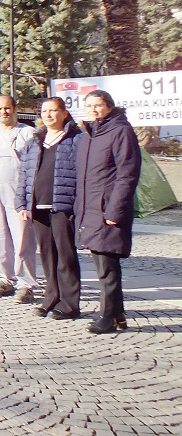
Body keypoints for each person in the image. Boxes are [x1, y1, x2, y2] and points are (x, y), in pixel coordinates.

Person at [75, 90, 140, 334]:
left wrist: (115, 210)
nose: (93, 109)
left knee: (107, 265)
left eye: (98, 105)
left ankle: (108, 316)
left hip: (108, 209)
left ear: (109, 107)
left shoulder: (121, 131)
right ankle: (118, 314)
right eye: (89, 105)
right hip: (91, 208)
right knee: (102, 262)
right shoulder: (89, 134)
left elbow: (127, 174)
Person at [18, 98, 83, 321]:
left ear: (64, 113)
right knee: (47, 255)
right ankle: (51, 298)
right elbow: (24, 175)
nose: (48, 115)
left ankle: (70, 303)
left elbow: (82, 176)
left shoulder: (76, 139)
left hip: (63, 206)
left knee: (66, 256)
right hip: (38, 208)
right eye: (44, 111)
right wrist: (22, 204)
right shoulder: (35, 140)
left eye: (53, 111)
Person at [0, 96, 38, 302]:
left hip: (18, 192)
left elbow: (33, 166)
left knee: (23, 239)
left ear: (15, 109)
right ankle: (4, 279)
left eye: (7, 108)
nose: (3, 112)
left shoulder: (27, 133)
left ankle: (27, 283)